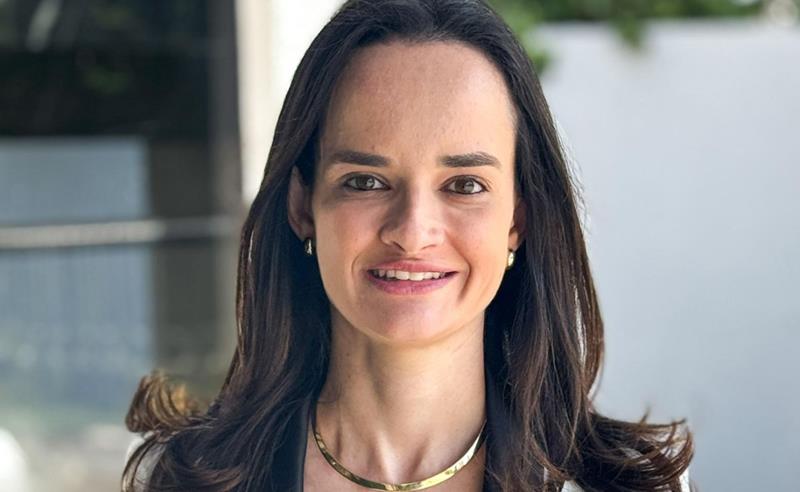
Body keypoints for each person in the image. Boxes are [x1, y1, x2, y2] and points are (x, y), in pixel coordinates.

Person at [122, 0, 694, 490]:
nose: (413, 231)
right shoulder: (178, 480)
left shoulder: (629, 485)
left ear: (518, 218)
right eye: (365, 181)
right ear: (302, 207)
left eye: (464, 185)